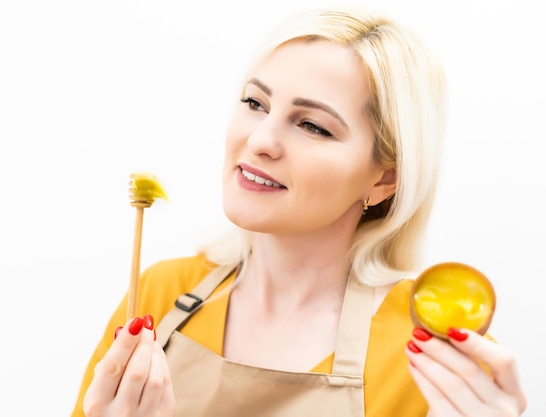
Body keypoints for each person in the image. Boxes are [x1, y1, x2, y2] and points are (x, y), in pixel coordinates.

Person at [70, 5, 527, 417]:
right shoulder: (159, 293)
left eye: (312, 125)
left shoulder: (435, 360)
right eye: (255, 103)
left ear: (384, 179)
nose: (261, 140)